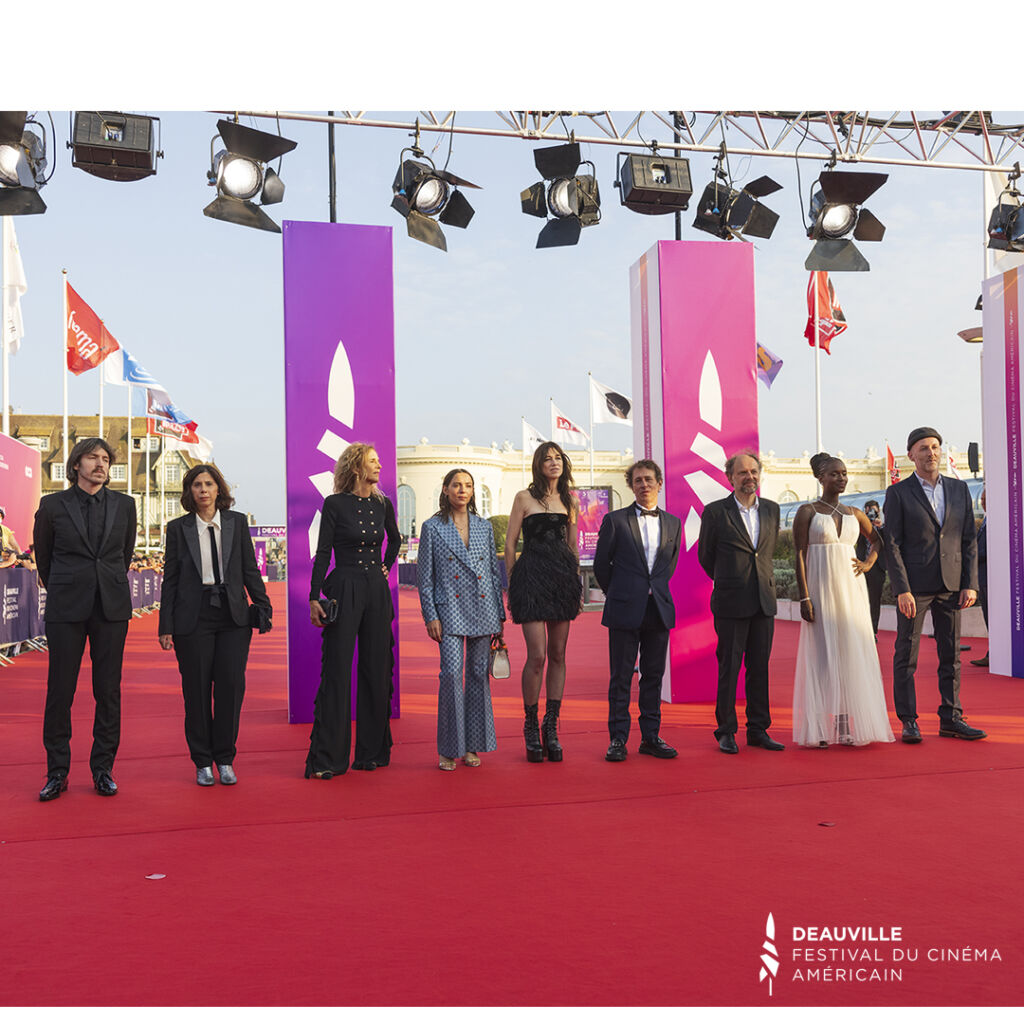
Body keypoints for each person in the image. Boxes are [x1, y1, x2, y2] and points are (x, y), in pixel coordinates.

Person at [33, 438, 137, 801]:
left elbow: (124, 554)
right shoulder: (52, 505)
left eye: (106, 459)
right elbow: (43, 558)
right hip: (66, 608)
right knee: (60, 691)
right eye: (93, 457)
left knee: (108, 691)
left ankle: (103, 769)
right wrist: (68, 585)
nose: (100, 464)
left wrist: (102, 583)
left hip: (110, 607)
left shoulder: (125, 505)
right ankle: (57, 771)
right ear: (76, 464)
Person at [158, 464, 273, 786]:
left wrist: (263, 605)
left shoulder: (236, 524)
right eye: (197, 485)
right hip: (192, 619)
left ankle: (224, 758)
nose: (204, 490)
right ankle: (201, 761)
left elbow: (250, 569)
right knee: (195, 691)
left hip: (232, 617)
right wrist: (165, 625)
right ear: (189, 492)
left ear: (219, 489)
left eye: (209, 484)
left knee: (231, 688)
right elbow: (171, 580)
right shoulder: (178, 528)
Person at [883, 427, 985, 742]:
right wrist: (902, 588)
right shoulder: (898, 493)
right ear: (911, 455)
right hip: (915, 588)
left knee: (951, 654)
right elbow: (893, 544)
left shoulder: (958, 489)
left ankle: (951, 718)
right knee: (906, 654)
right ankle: (909, 721)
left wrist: (969, 583)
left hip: (952, 585)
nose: (932, 453)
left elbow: (968, 539)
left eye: (936, 446)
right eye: (924, 448)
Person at [306, 443, 400, 778]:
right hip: (343, 586)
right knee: (338, 670)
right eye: (373, 461)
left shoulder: (383, 504)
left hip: (376, 588)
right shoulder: (334, 504)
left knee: (376, 668)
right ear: (356, 466)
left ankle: (370, 753)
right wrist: (314, 596)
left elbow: (396, 539)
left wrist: (386, 567)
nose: (379, 465)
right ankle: (329, 759)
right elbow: (324, 551)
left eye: (378, 461)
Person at [791, 454, 895, 747]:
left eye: (844, 473)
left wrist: (868, 563)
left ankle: (844, 723)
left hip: (852, 592)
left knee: (850, 653)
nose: (841, 478)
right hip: (820, 591)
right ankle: (819, 728)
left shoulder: (854, 512)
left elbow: (877, 540)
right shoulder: (807, 511)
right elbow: (799, 553)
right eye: (835, 474)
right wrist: (805, 596)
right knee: (822, 656)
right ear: (820, 478)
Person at [594, 459, 682, 762]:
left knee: (653, 676)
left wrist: (651, 590)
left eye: (648, 479)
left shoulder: (673, 522)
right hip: (623, 608)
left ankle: (650, 737)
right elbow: (601, 566)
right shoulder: (615, 520)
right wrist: (618, 593)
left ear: (659, 483)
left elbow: (668, 565)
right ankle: (617, 739)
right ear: (631, 486)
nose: (643, 484)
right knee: (620, 676)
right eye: (638, 480)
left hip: (658, 607)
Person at [697, 450, 784, 754]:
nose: (750, 477)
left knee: (759, 668)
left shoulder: (772, 510)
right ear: (729, 477)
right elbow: (706, 556)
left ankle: (759, 729)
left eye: (754, 472)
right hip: (730, 601)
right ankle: (726, 730)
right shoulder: (715, 512)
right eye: (742, 472)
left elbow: (765, 552)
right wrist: (729, 580)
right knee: (730, 668)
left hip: (764, 600)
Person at [417, 469, 505, 770]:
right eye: (456, 485)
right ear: (445, 489)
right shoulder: (432, 527)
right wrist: (431, 615)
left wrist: (500, 616)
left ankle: (472, 745)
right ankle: (448, 748)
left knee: (479, 675)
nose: (462, 490)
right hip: (449, 610)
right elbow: (425, 578)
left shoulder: (484, 527)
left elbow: (493, 573)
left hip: (484, 610)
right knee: (451, 674)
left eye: (468, 486)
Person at [505, 442, 582, 762]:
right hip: (531, 579)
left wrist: (577, 586)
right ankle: (530, 725)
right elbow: (510, 545)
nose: (553, 463)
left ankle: (551, 727)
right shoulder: (524, 498)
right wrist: (513, 584)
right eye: (547, 459)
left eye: (558, 458)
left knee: (559, 653)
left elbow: (573, 546)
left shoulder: (571, 500)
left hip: (562, 580)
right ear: (538, 465)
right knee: (536, 655)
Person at [855, 499, 887, 640]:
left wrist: (880, 528)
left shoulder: (883, 527)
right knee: (859, 599)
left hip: (877, 567)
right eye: (869, 510)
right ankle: (859, 629)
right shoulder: (859, 524)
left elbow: (888, 542)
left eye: (874, 510)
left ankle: (872, 631)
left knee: (875, 600)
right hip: (860, 565)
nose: (872, 513)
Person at [970, 489, 989, 668]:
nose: (982, 502)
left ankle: (995, 653)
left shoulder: (999, 520)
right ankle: (993, 652)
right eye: (981, 499)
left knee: (993, 617)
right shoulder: (984, 521)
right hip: (982, 578)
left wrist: (971, 555)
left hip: (992, 578)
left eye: (985, 499)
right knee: (988, 617)